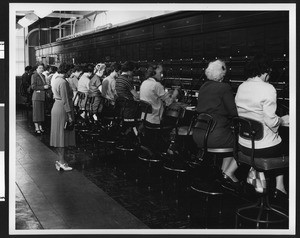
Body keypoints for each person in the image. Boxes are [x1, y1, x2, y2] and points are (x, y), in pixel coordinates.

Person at [235, 53, 289, 199]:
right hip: (262, 148)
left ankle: (264, 184)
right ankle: (279, 186)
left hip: (244, 145)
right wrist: (283, 120)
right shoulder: (268, 88)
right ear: (267, 71)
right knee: (286, 143)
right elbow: (271, 121)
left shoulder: (241, 87)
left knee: (277, 141)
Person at [192, 59, 239, 186]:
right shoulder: (224, 87)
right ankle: (228, 172)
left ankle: (224, 172)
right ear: (221, 74)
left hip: (199, 135)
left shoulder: (203, 86)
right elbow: (233, 112)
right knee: (242, 142)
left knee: (230, 137)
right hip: (215, 136)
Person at [139, 63, 179, 153]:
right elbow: (168, 102)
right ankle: (170, 148)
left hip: (146, 121)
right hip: (155, 121)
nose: (162, 75)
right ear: (154, 72)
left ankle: (160, 146)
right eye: (161, 72)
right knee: (177, 121)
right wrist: (175, 94)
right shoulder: (157, 85)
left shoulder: (144, 83)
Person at [50, 62, 75, 171]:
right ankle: (61, 162)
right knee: (62, 136)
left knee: (59, 135)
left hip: (57, 106)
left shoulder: (56, 80)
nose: (71, 73)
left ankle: (60, 160)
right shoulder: (63, 82)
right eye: (71, 71)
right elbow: (65, 100)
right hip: (63, 109)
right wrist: (69, 115)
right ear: (67, 70)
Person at [31, 63, 49, 134]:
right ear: (36, 68)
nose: (41, 69)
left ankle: (40, 126)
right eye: (40, 68)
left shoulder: (43, 76)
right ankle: (36, 127)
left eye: (42, 68)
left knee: (41, 112)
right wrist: (43, 87)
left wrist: (47, 86)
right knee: (36, 113)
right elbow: (33, 87)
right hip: (37, 96)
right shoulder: (34, 75)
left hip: (42, 96)